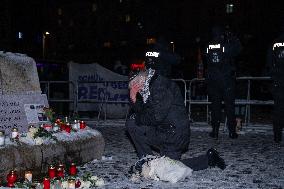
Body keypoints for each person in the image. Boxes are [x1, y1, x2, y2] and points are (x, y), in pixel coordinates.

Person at [126, 48, 226, 172]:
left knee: (168, 169)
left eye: (136, 89)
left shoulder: (159, 86)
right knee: (132, 122)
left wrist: (139, 116)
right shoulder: (148, 87)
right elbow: (145, 113)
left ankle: (209, 159)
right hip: (163, 130)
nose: (138, 93)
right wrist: (134, 99)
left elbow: (155, 117)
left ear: (139, 83)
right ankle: (146, 160)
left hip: (174, 135)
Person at [205, 25, 242, 139]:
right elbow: (238, 49)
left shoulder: (208, 46)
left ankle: (215, 131)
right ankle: (232, 132)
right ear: (221, 34)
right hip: (226, 80)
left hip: (213, 80)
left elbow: (207, 59)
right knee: (229, 106)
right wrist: (233, 38)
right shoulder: (226, 45)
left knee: (215, 106)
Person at [266, 26, 284, 143]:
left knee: (278, 109)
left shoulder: (275, 43)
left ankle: (277, 136)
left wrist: (274, 73)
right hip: (279, 79)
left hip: (278, 80)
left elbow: (269, 61)